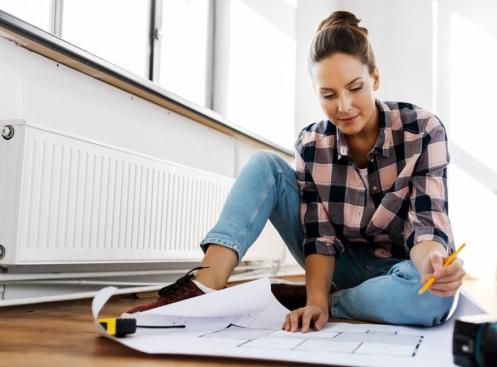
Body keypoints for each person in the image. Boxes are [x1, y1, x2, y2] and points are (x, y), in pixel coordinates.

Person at [126, 10, 465, 333]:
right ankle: (204, 285)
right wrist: (315, 295)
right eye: (328, 95)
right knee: (266, 165)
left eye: (355, 87)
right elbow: (318, 236)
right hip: (340, 262)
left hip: (398, 270)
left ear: (375, 78)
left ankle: (334, 301)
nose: (344, 106)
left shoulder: (423, 130)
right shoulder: (312, 142)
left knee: (432, 300)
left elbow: (427, 225)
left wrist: (432, 267)